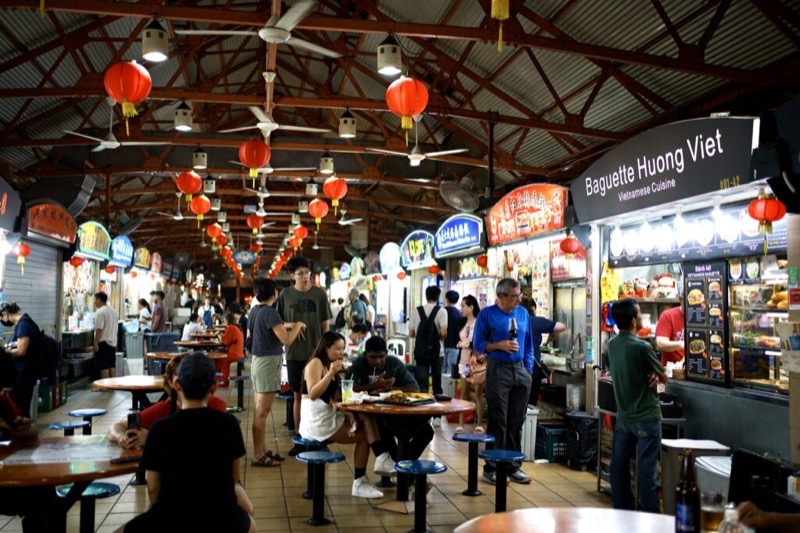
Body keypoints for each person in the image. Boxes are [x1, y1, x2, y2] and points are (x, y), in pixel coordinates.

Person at [117, 353, 257, 533]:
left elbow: (153, 488)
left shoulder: (159, 429)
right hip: (221, 515)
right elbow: (234, 476)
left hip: (171, 515)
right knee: (251, 526)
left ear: (177, 385)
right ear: (213, 387)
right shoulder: (228, 424)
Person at [299, 331, 390, 499]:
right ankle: (364, 477)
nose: (341, 353)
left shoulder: (331, 365)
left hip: (326, 415)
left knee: (367, 421)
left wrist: (346, 411)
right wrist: (331, 373)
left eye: (343, 349)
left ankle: (377, 464)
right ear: (326, 348)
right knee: (364, 435)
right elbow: (312, 393)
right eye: (338, 349)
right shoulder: (316, 363)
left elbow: (333, 400)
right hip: (316, 420)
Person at [607, 297, 667, 514]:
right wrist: (655, 373)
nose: (641, 317)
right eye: (639, 314)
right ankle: (654, 521)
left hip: (624, 418)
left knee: (619, 470)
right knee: (647, 474)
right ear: (633, 321)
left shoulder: (611, 345)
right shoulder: (642, 347)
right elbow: (663, 376)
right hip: (647, 418)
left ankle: (623, 516)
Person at [473, 278, 533, 485]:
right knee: (499, 420)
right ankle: (491, 468)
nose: (518, 300)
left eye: (519, 296)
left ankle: (513, 465)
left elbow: (529, 346)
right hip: (498, 369)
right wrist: (498, 345)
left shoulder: (523, 314)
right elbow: (478, 345)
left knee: (516, 420)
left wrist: (528, 370)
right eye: (514, 296)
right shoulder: (487, 315)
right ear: (501, 296)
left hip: (520, 371)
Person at [347, 336, 434, 463]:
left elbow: (415, 389)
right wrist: (375, 386)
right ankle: (401, 469)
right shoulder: (358, 364)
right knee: (382, 429)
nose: (378, 361)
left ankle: (400, 468)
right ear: (365, 355)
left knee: (427, 431)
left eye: (381, 356)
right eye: (373, 357)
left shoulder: (394, 363)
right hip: (374, 416)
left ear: (387, 354)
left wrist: (390, 389)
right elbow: (348, 389)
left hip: (398, 413)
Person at [278, 256, 332, 455]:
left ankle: (320, 437)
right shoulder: (285, 295)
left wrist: (327, 351)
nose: (304, 277)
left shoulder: (319, 294)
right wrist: (291, 325)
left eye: (307, 273)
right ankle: (300, 438)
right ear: (292, 276)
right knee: (298, 396)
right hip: (294, 353)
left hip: (316, 354)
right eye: (300, 273)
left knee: (318, 397)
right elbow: (279, 324)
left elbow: (325, 326)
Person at [250, 278, 305, 466]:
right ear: (275, 294)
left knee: (260, 411)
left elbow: (274, 327)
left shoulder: (256, 311)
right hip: (267, 364)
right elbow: (287, 340)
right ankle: (258, 455)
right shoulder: (270, 313)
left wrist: (287, 324)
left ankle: (263, 450)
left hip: (257, 362)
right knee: (262, 413)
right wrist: (297, 325)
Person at [1, 302, 42, 416]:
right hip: (26, 372)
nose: (2, 321)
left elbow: (21, 350)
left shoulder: (23, 325)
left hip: (24, 373)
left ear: (6, 314)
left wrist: (4, 353)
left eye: (1, 318)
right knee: (21, 406)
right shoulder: (25, 322)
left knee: (19, 407)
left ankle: (25, 431)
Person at [523, 298, 565, 406]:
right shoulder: (535, 321)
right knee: (530, 405)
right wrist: (552, 332)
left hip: (513, 370)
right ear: (532, 309)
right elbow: (561, 326)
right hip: (531, 370)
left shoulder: (511, 320)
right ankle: (529, 422)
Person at [408, 285, 447, 396]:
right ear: (438, 297)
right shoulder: (442, 311)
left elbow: (411, 333)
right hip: (437, 352)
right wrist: (435, 339)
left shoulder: (416, 311)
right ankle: (437, 412)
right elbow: (444, 332)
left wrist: (423, 338)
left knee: (422, 385)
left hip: (420, 352)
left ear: (426, 296)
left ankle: (424, 411)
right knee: (437, 386)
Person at [455, 295, 484, 434]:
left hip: (476, 363)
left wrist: (468, 344)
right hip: (464, 362)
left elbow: (480, 342)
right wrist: (460, 344)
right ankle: (461, 423)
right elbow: (457, 338)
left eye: (463, 306)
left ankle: (479, 423)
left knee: (478, 393)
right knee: (464, 392)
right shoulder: (461, 323)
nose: (461, 309)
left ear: (471, 307)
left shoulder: (479, 324)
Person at [655, 286, 685, 367]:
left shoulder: (701, 317)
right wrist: (682, 344)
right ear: (680, 299)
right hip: (671, 370)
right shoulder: (668, 316)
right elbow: (660, 343)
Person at [94, 291, 119, 379]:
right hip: (112, 341)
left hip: (103, 342)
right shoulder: (112, 310)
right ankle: (112, 384)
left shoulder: (100, 312)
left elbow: (99, 329)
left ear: (99, 300)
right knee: (111, 364)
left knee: (103, 365)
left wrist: (95, 342)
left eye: (95, 300)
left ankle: (105, 386)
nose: (94, 302)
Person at [217, 313, 244, 387]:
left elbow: (225, 342)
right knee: (219, 353)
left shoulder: (231, 328)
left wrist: (220, 336)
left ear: (227, 320)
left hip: (234, 353)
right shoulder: (237, 328)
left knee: (220, 359)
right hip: (239, 353)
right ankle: (221, 379)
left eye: (225, 320)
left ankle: (223, 381)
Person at [443, 290, 462, 378]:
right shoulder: (459, 313)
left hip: (442, 345)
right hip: (455, 345)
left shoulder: (441, 312)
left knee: (442, 371)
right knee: (451, 372)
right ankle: (448, 391)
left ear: (446, 299)